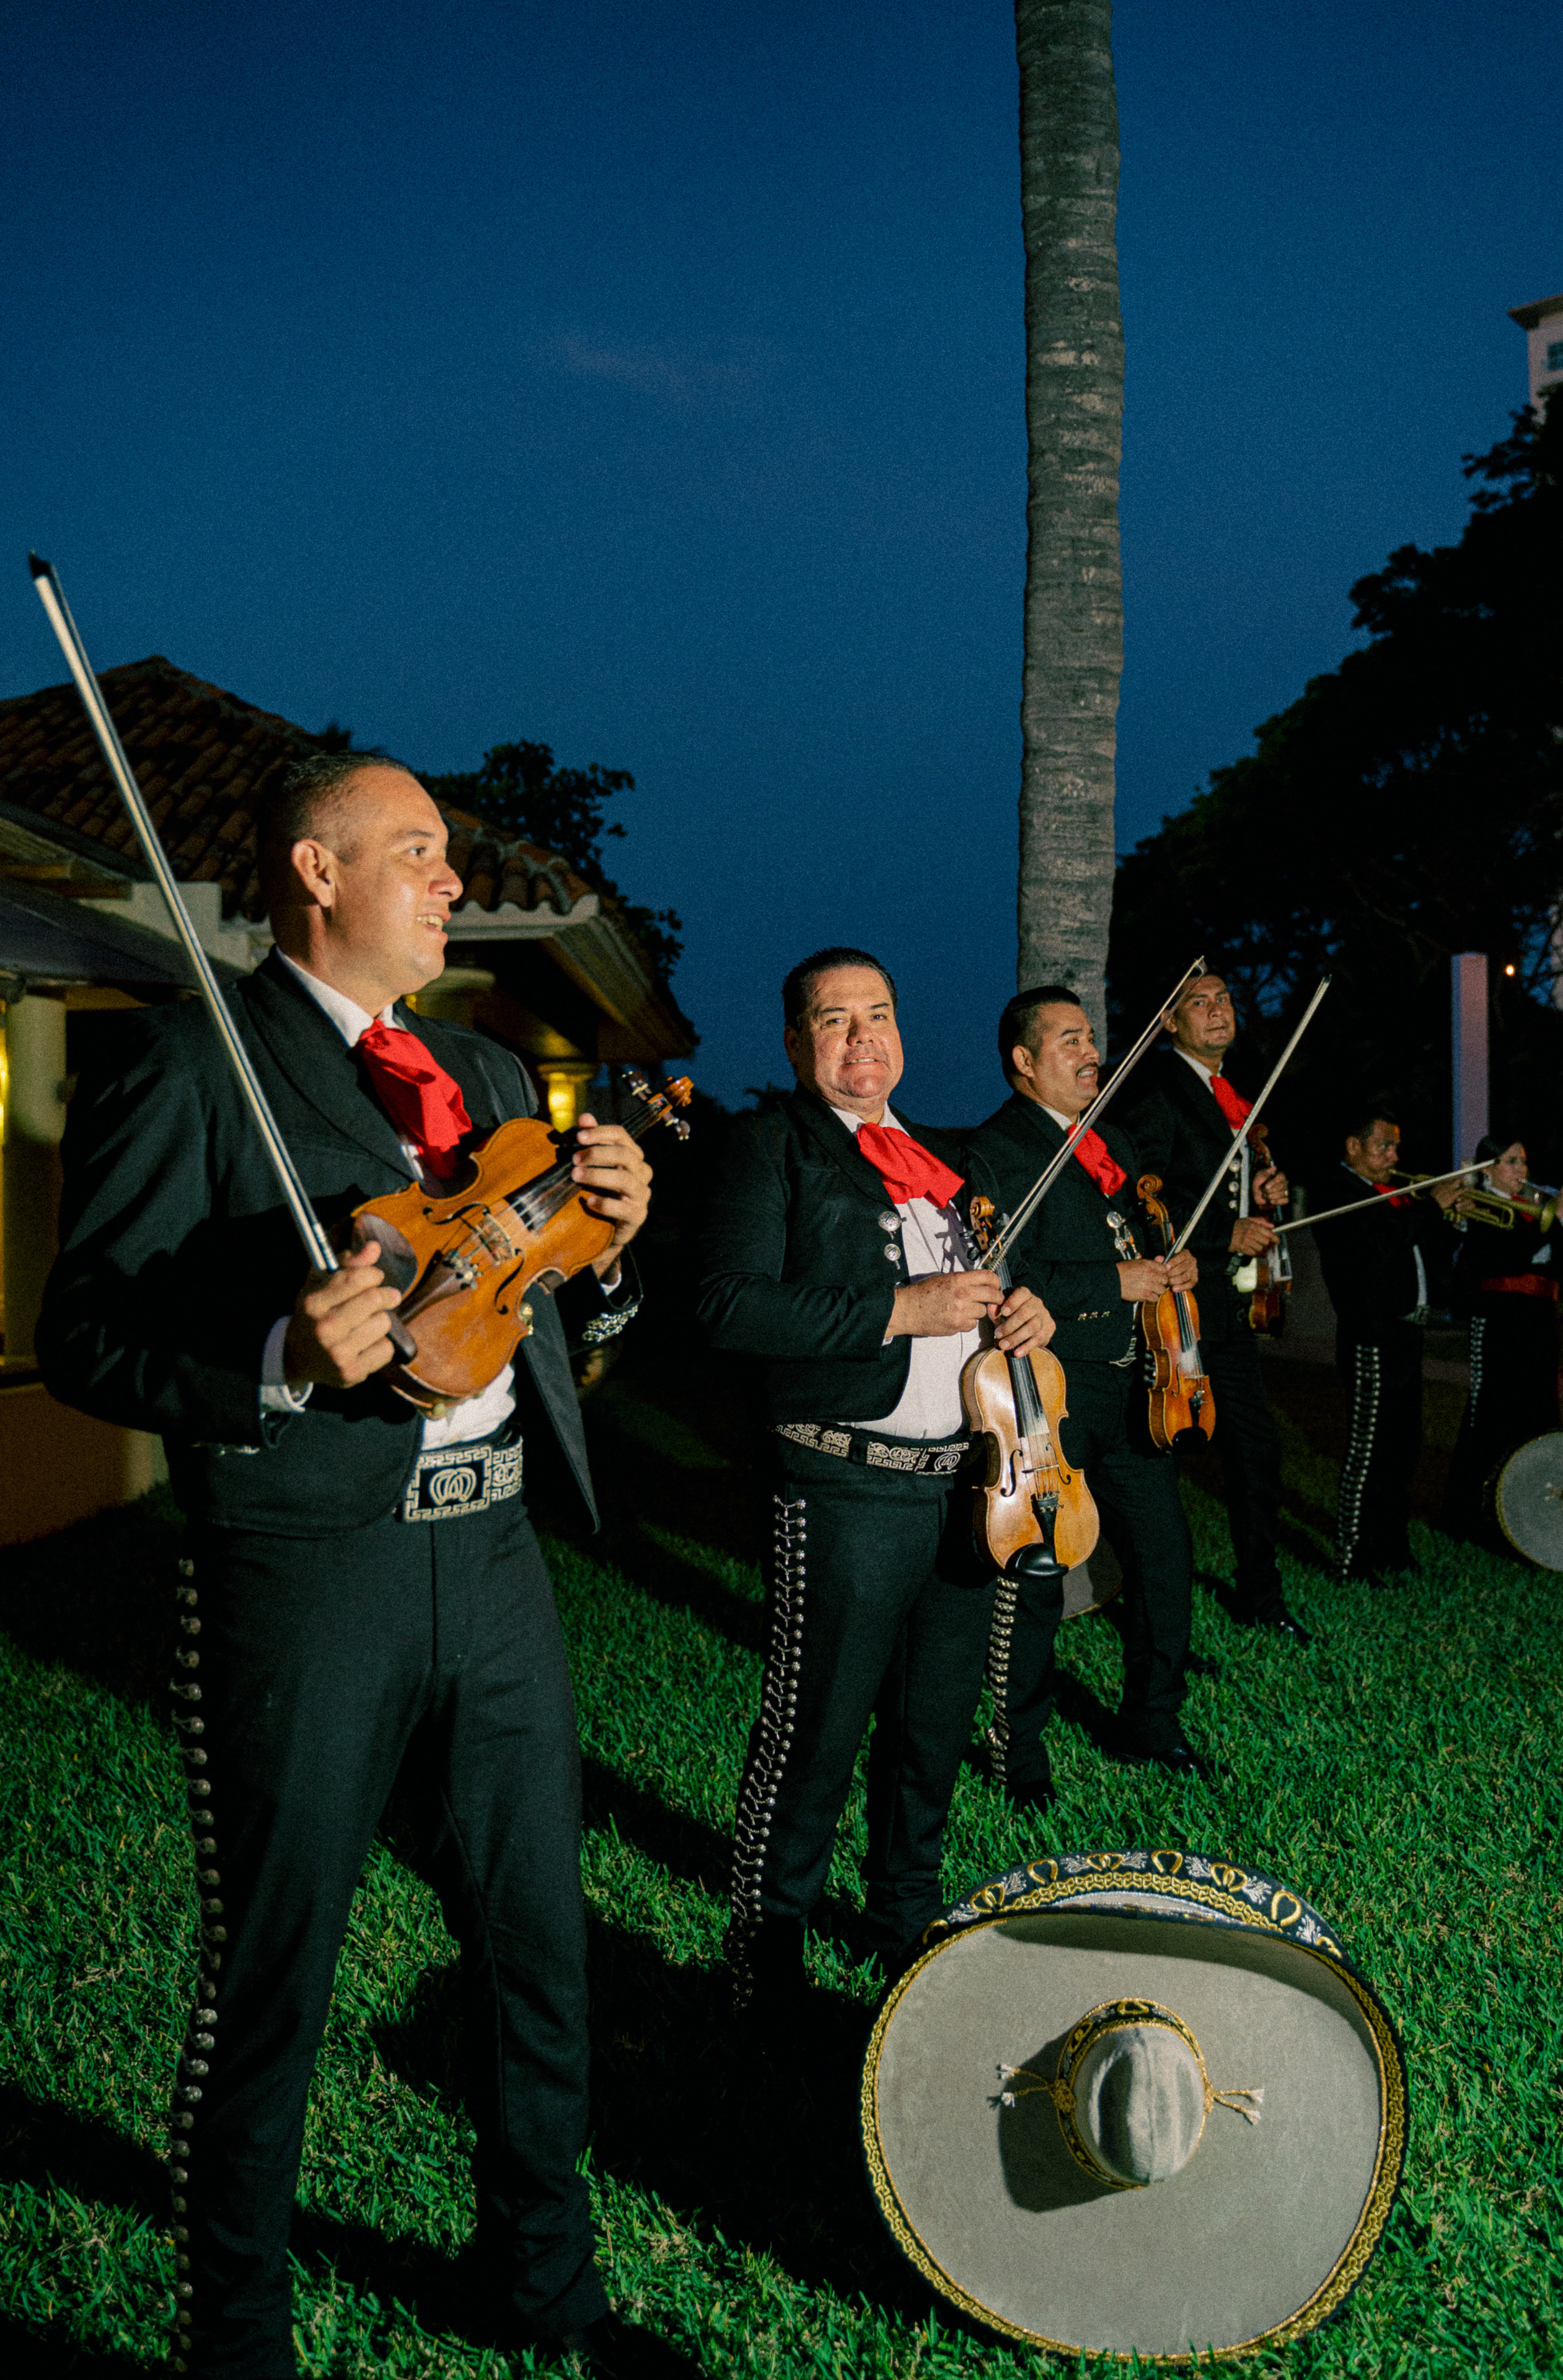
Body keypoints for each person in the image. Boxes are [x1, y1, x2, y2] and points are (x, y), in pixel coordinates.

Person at [37, 752, 695, 2380]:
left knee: (538, 1940)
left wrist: (608, 1250)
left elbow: (558, 1320)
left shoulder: (477, 1064)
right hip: (305, 1577)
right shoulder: (191, 1064)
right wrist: (271, 1353)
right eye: (418, 852)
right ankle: (236, 2342)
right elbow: (81, 1334)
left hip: (491, 1569)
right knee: (280, 1967)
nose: (452, 881)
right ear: (317, 875)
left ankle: (540, 2289)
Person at [695, 948, 1054, 2005]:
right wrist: (903, 1310)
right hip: (844, 1482)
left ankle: (905, 1915)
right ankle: (768, 1944)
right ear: (799, 1041)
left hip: (963, 1482)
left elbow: (985, 1290)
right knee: (817, 1725)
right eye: (836, 1019)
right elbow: (727, 1305)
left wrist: (1016, 1312)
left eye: (881, 1015)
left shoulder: (946, 1160)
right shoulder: (771, 1149)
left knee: (932, 1724)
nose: (864, 1039)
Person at [968, 986, 1210, 1805]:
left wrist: (1171, 1260)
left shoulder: (1103, 1139)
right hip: (1053, 1396)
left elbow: (1142, 1234)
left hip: (1133, 1387)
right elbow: (1005, 1275)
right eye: (1068, 1041)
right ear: (1025, 1062)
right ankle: (1021, 1755)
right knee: (1038, 1573)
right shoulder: (999, 1149)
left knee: (1163, 1557)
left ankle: (1152, 1721)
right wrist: (1118, 1279)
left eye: (1090, 1038)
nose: (1089, 1052)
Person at [1108, 970, 1313, 1643]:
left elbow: (1223, 1184)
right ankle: (1139, 1598)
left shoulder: (1229, 1096)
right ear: (1168, 1023)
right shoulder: (1157, 1087)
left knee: (1255, 1446)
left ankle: (1260, 1592)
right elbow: (1138, 1192)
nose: (1217, 1010)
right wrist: (1227, 1233)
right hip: (1173, 1308)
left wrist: (1264, 1188)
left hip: (1224, 1304)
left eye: (1223, 999)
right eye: (1198, 1002)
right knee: (1156, 1451)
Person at [1311, 1107, 1460, 1584]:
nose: (1395, 1156)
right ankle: (1353, 1558)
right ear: (1353, 1148)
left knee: (1403, 1449)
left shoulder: (1394, 1195)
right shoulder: (1341, 1193)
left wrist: (1449, 1220)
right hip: (1371, 1334)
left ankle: (1392, 1546)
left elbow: (1423, 1249)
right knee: (1369, 1450)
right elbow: (1376, 1244)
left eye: (1396, 1147)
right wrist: (1427, 1207)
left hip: (1406, 1334)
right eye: (1384, 1147)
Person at [1442, 1134, 1563, 1541]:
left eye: (1523, 1162)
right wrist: (1554, 1222)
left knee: (1539, 1412)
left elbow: (1554, 1270)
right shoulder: (1478, 1205)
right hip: (1499, 1320)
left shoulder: (1534, 1208)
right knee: (1490, 1414)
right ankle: (1469, 1516)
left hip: (1540, 1319)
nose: (1521, 1171)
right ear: (1487, 1170)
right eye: (1510, 1162)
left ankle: (1530, 1513)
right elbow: (1502, 1257)